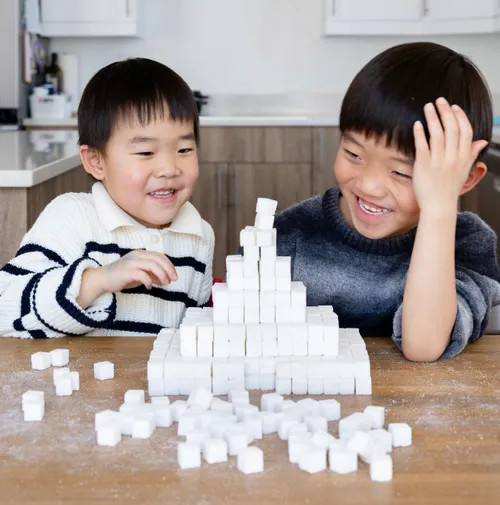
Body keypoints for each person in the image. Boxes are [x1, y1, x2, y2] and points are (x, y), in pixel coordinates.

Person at [274, 42, 500, 361]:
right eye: (353, 154)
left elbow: (423, 346)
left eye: (402, 173)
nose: (369, 185)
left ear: (464, 179)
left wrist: (439, 205)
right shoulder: (287, 235)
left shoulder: (467, 246)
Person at [0, 58, 214, 338]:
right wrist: (98, 280)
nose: (169, 169)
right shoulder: (72, 217)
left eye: (184, 149)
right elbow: (5, 307)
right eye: (145, 153)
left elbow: (189, 339)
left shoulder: (199, 237)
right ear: (96, 162)